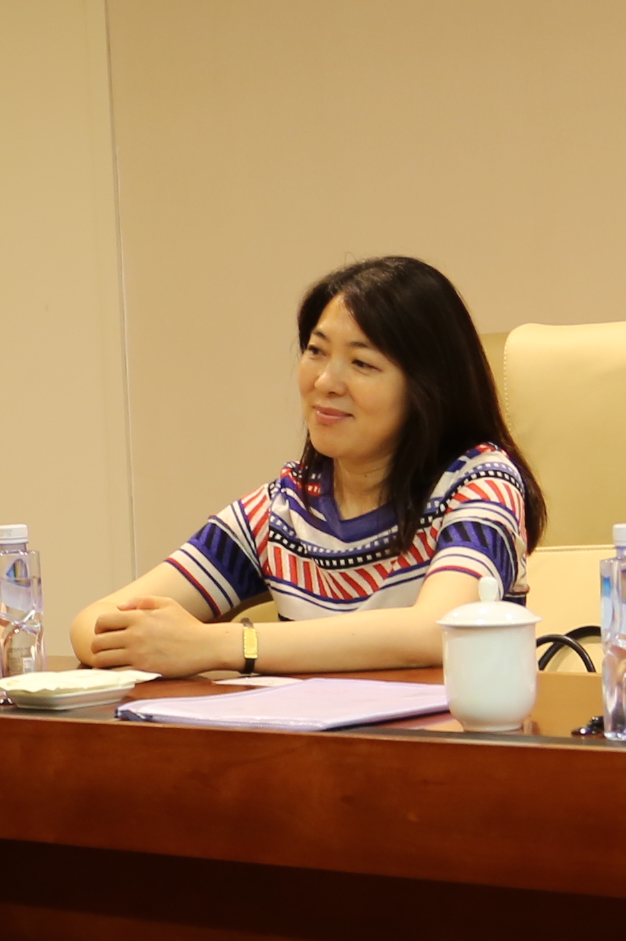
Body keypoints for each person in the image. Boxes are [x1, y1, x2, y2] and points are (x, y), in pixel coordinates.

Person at [73, 256, 542, 675]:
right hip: (309, 742)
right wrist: (146, 638)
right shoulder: (283, 510)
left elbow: (440, 629)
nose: (325, 381)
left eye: (362, 363)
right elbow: (94, 624)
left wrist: (219, 645)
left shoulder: (480, 482)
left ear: (426, 387)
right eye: (316, 351)